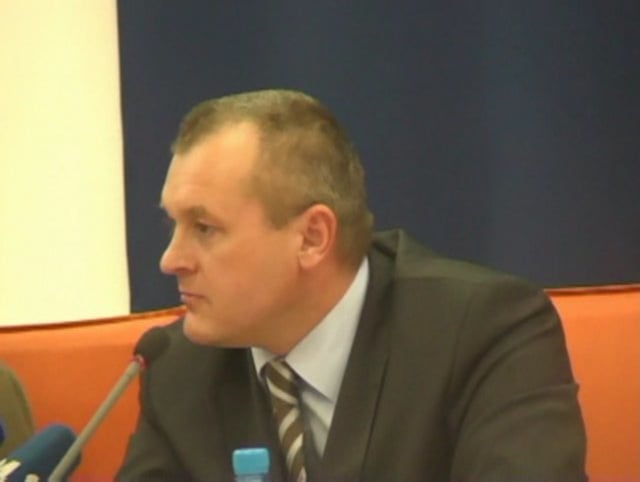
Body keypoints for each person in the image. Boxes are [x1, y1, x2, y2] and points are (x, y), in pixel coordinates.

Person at [117, 89, 586, 481]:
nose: (170, 260)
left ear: (312, 237)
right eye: (172, 225)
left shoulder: (485, 332)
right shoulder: (176, 369)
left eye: (204, 228)